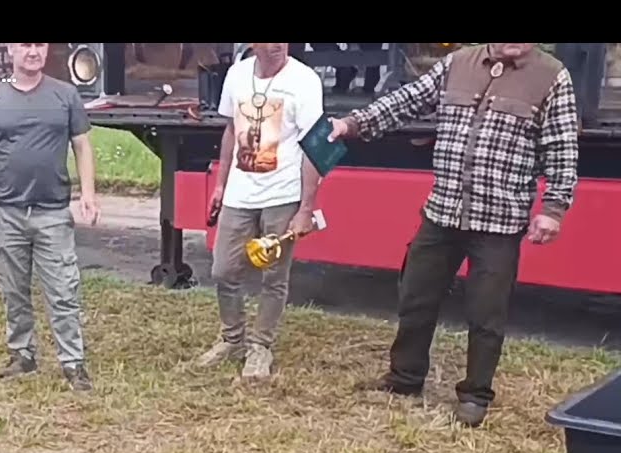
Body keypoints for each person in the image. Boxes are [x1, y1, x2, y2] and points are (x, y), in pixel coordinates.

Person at [329, 43, 580, 427]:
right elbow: (407, 100)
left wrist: (553, 210)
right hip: (442, 212)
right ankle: (405, 378)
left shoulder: (552, 76)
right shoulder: (458, 63)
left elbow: (562, 149)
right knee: (415, 296)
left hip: (498, 222)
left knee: (486, 314)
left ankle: (475, 395)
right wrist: (353, 124)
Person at [0, 42, 99, 392]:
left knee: (64, 290)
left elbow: (82, 145)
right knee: (13, 289)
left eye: (39, 44)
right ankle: (22, 355)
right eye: (25, 45)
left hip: (52, 212)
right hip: (6, 213)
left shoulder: (65, 96)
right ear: (10, 49)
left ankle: (73, 363)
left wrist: (88, 194)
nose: (33, 51)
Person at [197, 42, 324, 380]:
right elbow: (230, 130)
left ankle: (260, 346)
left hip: (282, 195)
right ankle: (231, 338)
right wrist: (221, 185)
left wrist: (306, 209)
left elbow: (317, 144)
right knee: (223, 270)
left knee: (273, 277)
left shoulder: (305, 80)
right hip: (240, 193)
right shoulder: (237, 75)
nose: (277, 46)